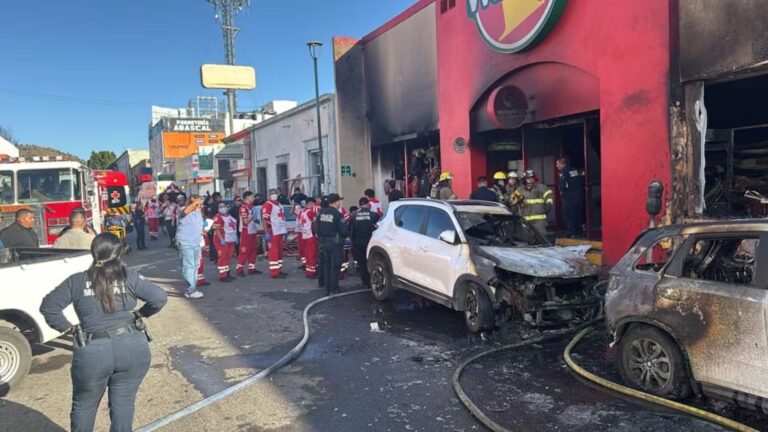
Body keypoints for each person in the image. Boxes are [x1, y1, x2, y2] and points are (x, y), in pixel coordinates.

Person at [39, 233, 167, 432]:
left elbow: (49, 306)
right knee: (124, 403)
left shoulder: (78, 280)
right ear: (119, 254)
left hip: (93, 351)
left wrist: (70, 328)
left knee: (84, 406)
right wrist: (140, 314)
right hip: (131, 346)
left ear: (94, 253)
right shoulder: (129, 276)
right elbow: (159, 298)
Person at [317, 194, 349, 295]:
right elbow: (344, 231)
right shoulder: (337, 214)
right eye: (339, 201)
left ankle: (327, 287)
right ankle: (333, 288)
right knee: (335, 266)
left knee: (326, 265)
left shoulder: (321, 213)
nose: (340, 203)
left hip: (324, 242)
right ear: (335, 202)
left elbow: (317, 229)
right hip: (335, 243)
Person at [176, 194, 206, 298]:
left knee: (195, 266)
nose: (199, 205)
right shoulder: (182, 210)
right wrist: (196, 202)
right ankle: (190, 291)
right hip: (185, 243)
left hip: (195, 242)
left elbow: (199, 225)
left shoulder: (198, 212)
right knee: (188, 267)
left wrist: (203, 231)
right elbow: (185, 212)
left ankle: (192, 288)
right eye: (197, 203)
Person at [350, 197, 379, 288]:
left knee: (362, 263)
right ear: (368, 205)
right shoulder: (374, 215)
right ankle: (373, 280)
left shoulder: (353, 215)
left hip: (358, 243)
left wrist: (353, 241)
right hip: (370, 242)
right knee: (372, 261)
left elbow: (351, 231)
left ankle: (365, 281)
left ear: (359, 205)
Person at [518, 169, 554, 238]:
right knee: (527, 238)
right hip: (526, 218)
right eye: (528, 178)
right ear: (525, 179)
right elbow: (512, 200)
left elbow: (549, 195)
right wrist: (517, 200)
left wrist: (549, 204)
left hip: (539, 218)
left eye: (532, 178)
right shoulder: (520, 189)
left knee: (542, 237)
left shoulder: (541, 187)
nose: (530, 180)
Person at [557, 157, 586, 238]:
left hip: (569, 196)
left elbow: (562, 184)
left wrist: (561, 191)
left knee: (569, 214)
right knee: (578, 213)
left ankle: (571, 232)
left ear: (562, 164)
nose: (557, 166)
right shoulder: (574, 170)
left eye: (558, 164)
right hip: (578, 195)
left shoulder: (564, 172)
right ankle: (579, 231)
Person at [262, 188, 288, 278]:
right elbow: (264, 219)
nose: (274, 195)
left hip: (280, 230)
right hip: (272, 231)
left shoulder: (279, 205)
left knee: (280, 252)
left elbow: (282, 218)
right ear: (269, 195)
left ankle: (279, 269)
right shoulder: (268, 205)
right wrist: (266, 233)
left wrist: (285, 230)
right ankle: (274, 272)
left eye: (275, 193)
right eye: (272, 193)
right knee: (274, 252)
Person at [236, 191, 262, 276]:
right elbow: (245, 222)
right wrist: (252, 217)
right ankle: (239, 269)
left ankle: (252, 268)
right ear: (247, 198)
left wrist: (256, 220)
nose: (253, 198)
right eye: (252, 197)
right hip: (246, 232)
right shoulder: (244, 208)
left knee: (253, 250)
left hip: (253, 231)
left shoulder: (252, 207)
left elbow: (254, 219)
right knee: (244, 251)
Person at [212, 202, 238, 282]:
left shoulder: (229, 216)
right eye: (220, 206)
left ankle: (227, 273)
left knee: (228, 257)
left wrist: (236, 237)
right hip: (222, 239)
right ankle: (223, 276)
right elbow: (217, 229)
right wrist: (221, 239)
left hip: (230, 239)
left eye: (224, 206)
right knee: (223, 257)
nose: (223, 208)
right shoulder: (218, 217)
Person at [297, 197, 319, 278]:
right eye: (314, 204)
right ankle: (311, 273)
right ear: (310, 203)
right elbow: (316, 220)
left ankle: (308, 271)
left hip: (304, 235)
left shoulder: (303, 212)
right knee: (312, 255)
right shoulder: (310, 212)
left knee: (307, 254)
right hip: (310, 235)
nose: (314, 206)